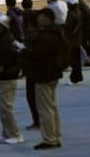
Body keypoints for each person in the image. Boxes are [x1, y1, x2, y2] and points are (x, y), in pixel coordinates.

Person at [23, 8, 64, 150]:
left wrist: (25, 51)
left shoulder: (46, 36)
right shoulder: (56, 32)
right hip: (52, 74)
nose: (38, 19)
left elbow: (38, 54)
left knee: (45, 109)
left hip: (43, 74)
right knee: (52, 107)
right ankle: (55, 136)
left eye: (40, 17)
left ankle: (49, 139)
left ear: (47, 18)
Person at [0, 13, 24, 145]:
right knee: (3, 107)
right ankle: (7, 133)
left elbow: (13, 57)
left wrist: (2, 67)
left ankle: (15, 134)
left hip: (7, 77)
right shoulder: (1, 39)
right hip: (3, 77)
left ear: (2, 26)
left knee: (6, 107)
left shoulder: (7, 40)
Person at [20, 0, 40, 131]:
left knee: (33, 97)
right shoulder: (38, 33)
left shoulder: (31, 35)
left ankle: (38, 121)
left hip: (33, 71)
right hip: (37, 71)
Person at [69, 0, 90, 67]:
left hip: (88, 25)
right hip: (89, 24)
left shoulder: (76, 1)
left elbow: (82, 16)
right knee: (89, 43)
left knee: (88, 43)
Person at [64, 0, 83, 84]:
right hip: (77, 39)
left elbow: (68, 27)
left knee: (74, 60)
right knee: (77, 60)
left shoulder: (71, 14)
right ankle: (77, 77)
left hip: (72, 40)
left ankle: (75, 78)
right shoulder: (78, 13)